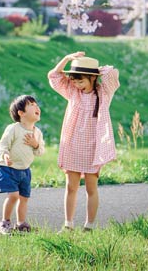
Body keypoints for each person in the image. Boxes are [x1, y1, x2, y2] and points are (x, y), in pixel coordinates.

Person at [48, 51, 120, 231]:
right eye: (75, 80)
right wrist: (67, 59)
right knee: (71, 187)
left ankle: (89, 225)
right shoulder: (72, 92)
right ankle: (68, 224)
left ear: (92, 78)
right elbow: (54, 75)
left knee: (91, 188)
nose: (77, 85)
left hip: (93, 147)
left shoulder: (104, 93)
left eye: (81, 80)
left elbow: (113, 73)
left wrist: (95, 69)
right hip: (72, 144)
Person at [0, 94, 45, 234]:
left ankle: (21, 224)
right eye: (31, 105)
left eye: (36, 104)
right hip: (8, 168)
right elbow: (3, 145)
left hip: (25, 170)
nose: (37, 107)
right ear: (21, 113)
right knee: (13, 196)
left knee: (24, 198)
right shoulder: (14, 128)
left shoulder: (37, 133)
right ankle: (4, 222)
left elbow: (40, 151)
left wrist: (35, 144)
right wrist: (5, 155)